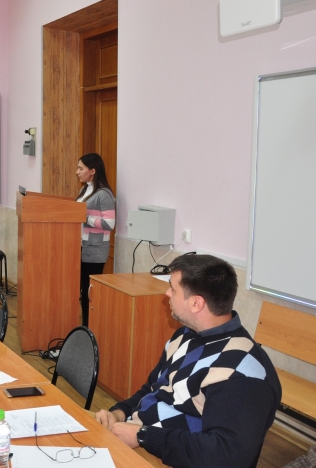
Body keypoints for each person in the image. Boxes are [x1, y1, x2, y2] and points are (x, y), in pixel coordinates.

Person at [94, 254, 282, 468]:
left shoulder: (244, 372)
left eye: (173, 289)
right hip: (143, 440)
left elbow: (227, 455)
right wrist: (119, 413)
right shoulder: (185, 335)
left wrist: (143, 435)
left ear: (195, 303)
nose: (167, 294)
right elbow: (153, 389)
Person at [75, 153, 115, 326]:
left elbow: (109, 223)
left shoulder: (104, 195)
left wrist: (85, 218)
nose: (77, 172)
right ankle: (84, 325)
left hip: (95, 251)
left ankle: (89, 327)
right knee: (80, 290)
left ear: (92, 171)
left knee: (88, 291)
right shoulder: (84, 190)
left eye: (80, 168)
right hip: (81, 247)